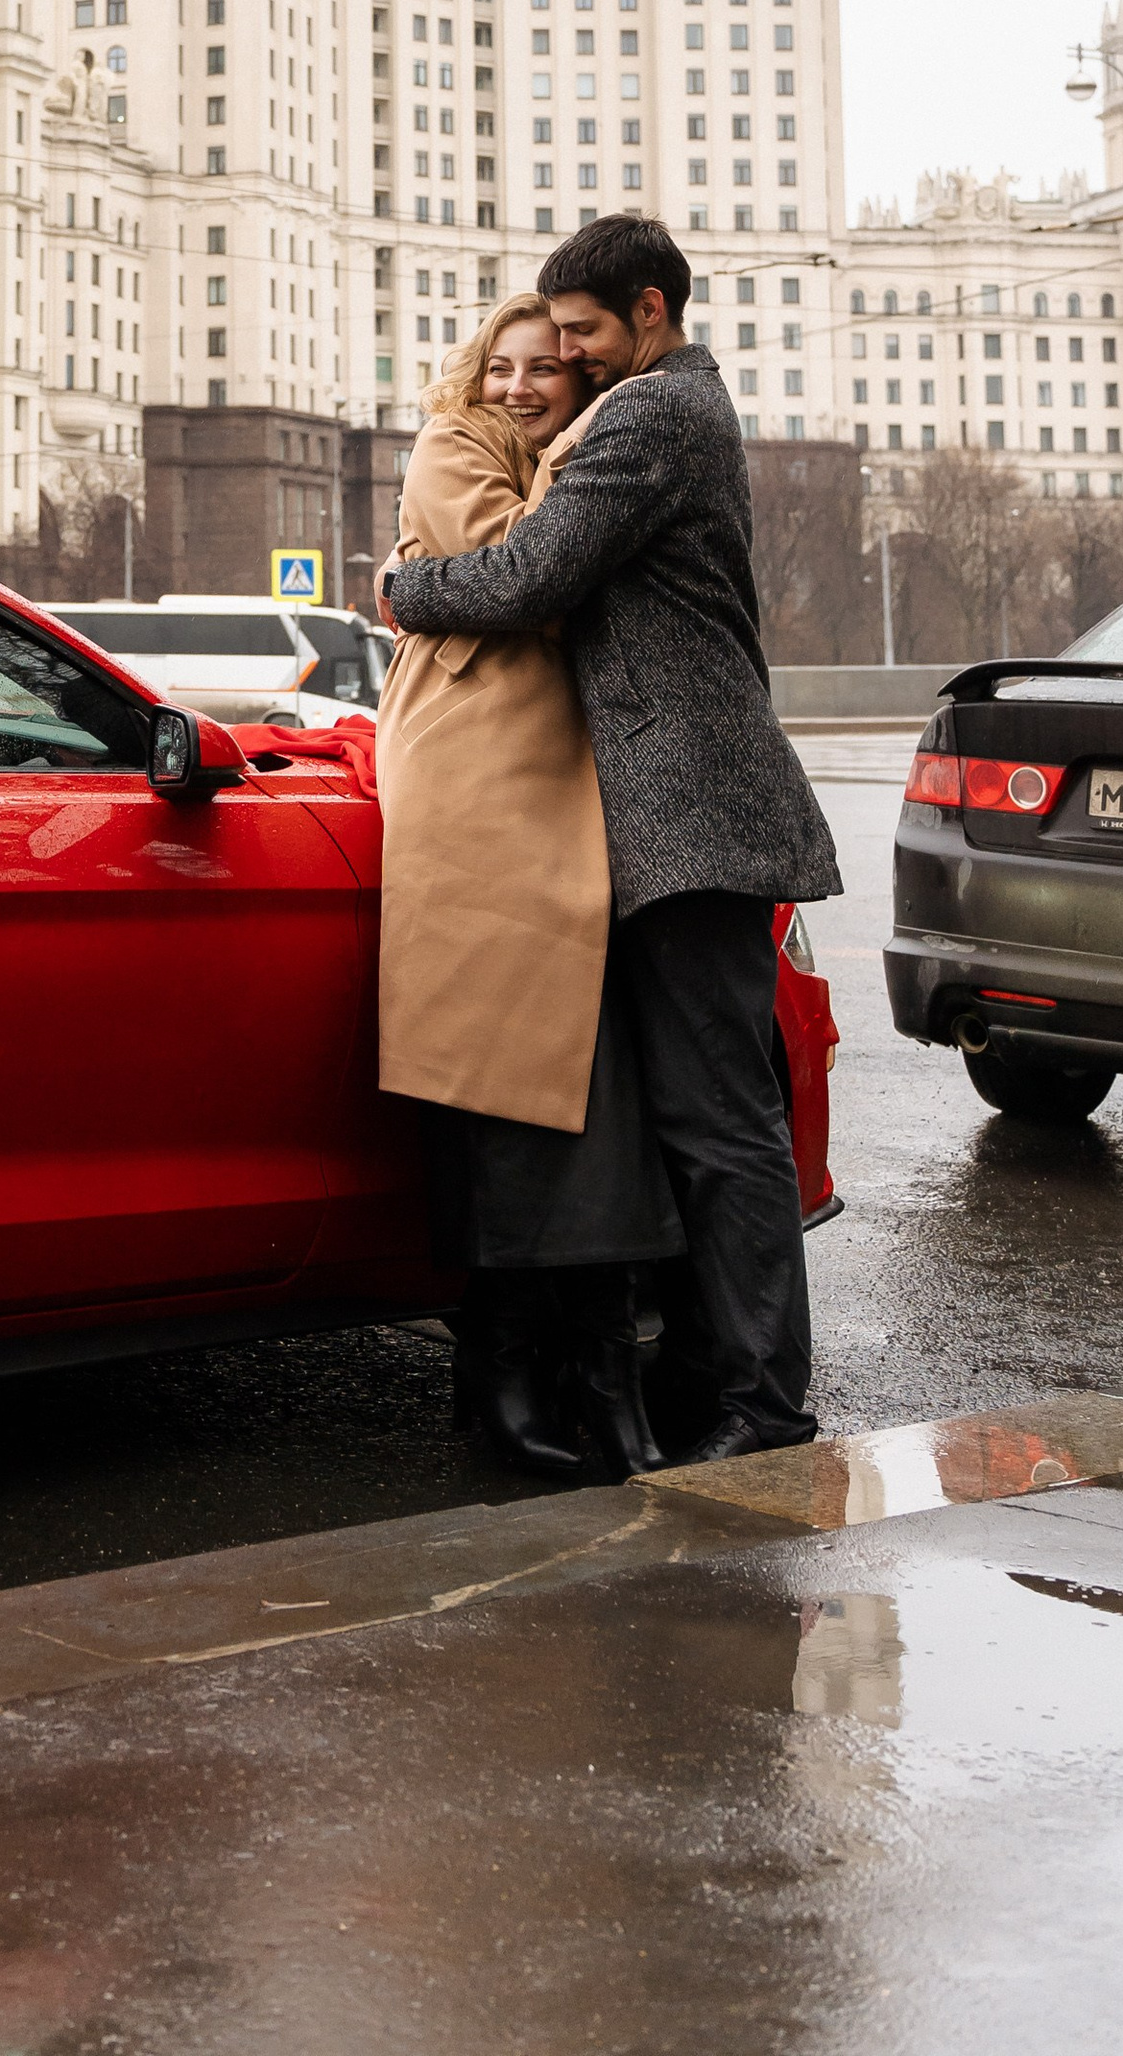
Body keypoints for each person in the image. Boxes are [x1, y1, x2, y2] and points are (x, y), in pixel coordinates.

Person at [385, 216, 842, 1460]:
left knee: (721, 1128)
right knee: (688, 1123)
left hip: (689, 814)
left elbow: (525, 577)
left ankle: (762, 1410)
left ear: (647, 312)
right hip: (661, 818)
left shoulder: (648, 416)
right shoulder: (650, 406)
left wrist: (394, 588)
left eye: (581, 336)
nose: (569, 362)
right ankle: (699, 1382)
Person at [378, 296, 678, 1481]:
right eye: (497, 365)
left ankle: (580, 1372)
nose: (514, 385)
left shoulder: (584, 454)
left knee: (584, 1085)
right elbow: (537, 580)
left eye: (543, 368)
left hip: (553, 773)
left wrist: (414, 580)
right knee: (502, 1067)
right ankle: (508, 1375)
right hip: (476, 777)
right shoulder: (453, 443)